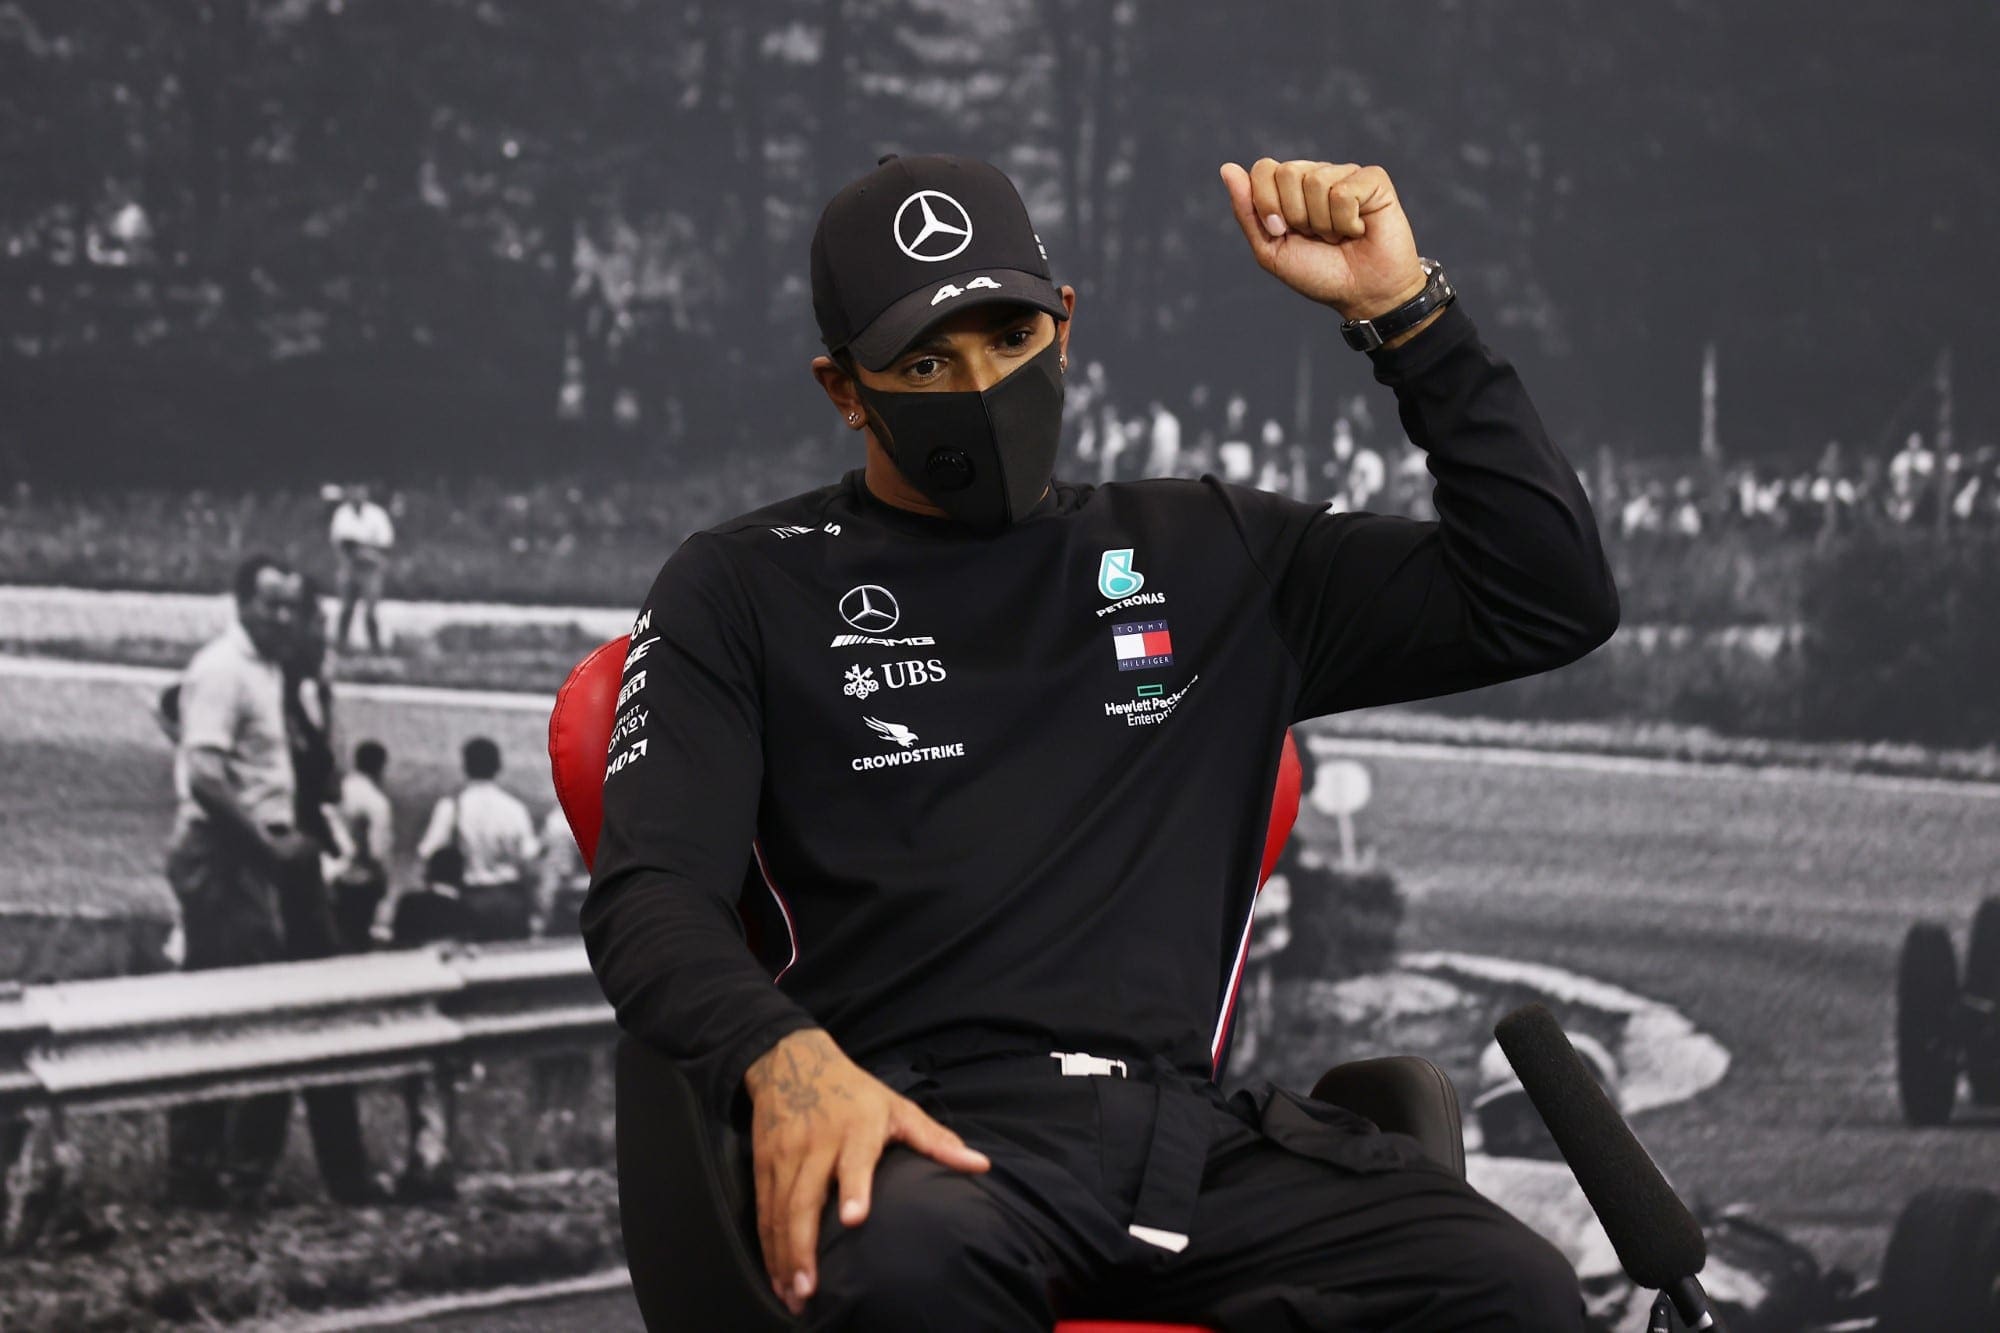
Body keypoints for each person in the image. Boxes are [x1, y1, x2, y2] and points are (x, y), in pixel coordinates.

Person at [585, 152, 1617, 1329]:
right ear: (844, 388)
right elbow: (649, 897)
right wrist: (783, 1057)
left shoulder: (1212, 551)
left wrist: (1405, 314)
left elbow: (1547, 597)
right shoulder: (740, 585)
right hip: (919, 1135)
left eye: (1009, 335)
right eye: (924, 361)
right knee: (912, 1274)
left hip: (1192, 1146)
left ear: (1064, 326)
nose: (981, 384)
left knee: (1512, 1292)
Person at [162, 556, 315, 1208]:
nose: (283, 617)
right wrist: (266, 844)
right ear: (242, 603)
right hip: (227, 853)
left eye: (291, 606)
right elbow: (205, 776)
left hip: (250, 852)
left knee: (248, 1004)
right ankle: (205, 1168)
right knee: (230, 1006)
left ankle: (222, 1166)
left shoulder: (270, 669)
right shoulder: (224, 668)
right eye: (270, 604)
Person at [413, 737, 540, 943]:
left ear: (465, 766)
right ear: (498, 766)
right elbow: (529, 861)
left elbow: (428, 852)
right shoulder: (515, 809)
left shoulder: (451, 808)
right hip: (510, 902)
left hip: (468, 901)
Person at [332, 740, 395, 952]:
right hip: (361, 881)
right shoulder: (376, 801)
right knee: (358, 942)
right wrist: (384, 880)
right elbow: (378, 851)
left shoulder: (338, 790)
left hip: (332, 875)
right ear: (380, 766)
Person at [329, 482, 394, 653]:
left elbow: (385, 542)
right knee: (346, 607)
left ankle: (375, 647)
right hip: (349, 565)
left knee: (371, 610)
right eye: (353, 490)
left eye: (360, 490)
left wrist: (366, 551)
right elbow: (340, 542)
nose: (357, 494)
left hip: (371, 568)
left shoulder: (377, 514)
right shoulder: (342, 514)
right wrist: (354, 553)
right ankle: (341, 645)